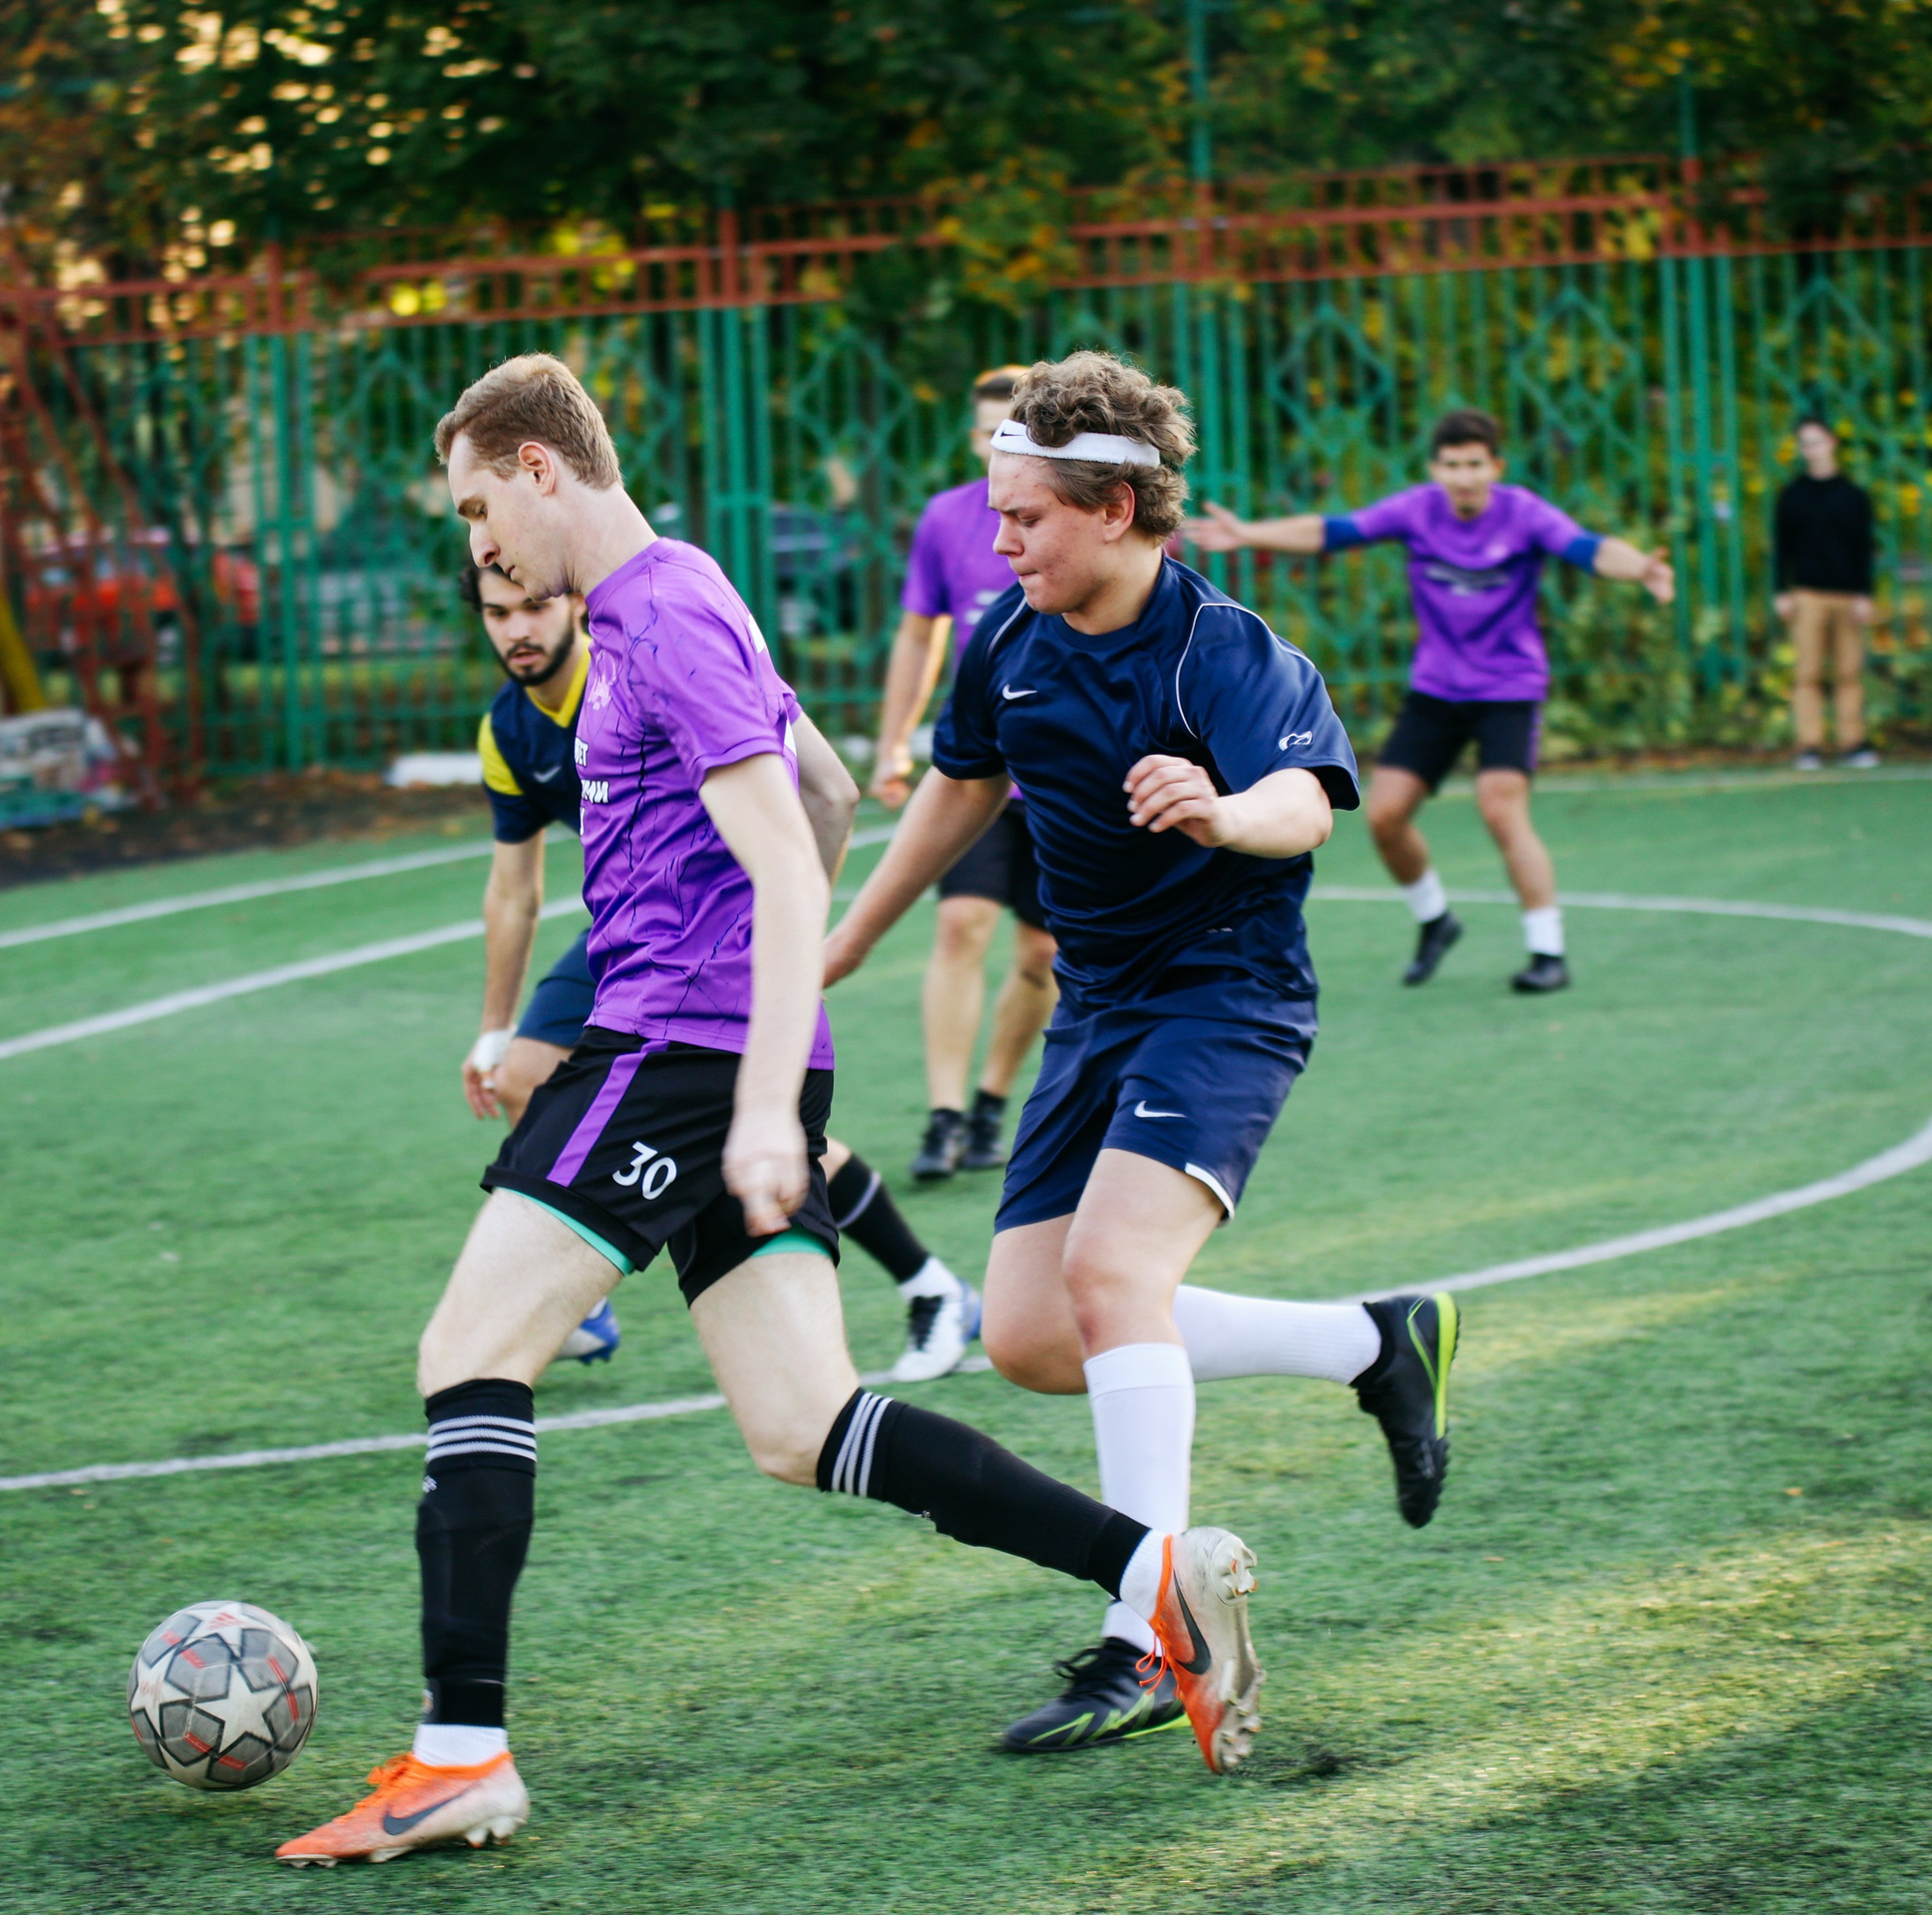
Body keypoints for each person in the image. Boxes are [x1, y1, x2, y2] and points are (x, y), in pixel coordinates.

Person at [274, 355, 1252, 1867]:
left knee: (470, 1352)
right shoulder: (676, 598)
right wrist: (768, 1056)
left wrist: (750, 1093)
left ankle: (461, 1757)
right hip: (720, 1050)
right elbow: (826, 786)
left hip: (668, 1053)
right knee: (804, 1427)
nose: (477, 544)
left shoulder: (654, 613)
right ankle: (1155, 1578)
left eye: (480, 504)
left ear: (545, 470)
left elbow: (795, 859)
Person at [826, 352, 1463, 1755]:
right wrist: (850, 938)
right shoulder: (1007, 637)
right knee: (1037, 1334)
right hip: (1099, 1009)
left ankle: (1147, 1630)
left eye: (1027, 519)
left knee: (1116, 1277)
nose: (1000, 543)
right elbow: (958, 788)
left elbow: (1306, 800)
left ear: (1114, 507)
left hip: (1223, 995)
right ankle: (1377, 1342)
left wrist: (1222, 809)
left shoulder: (1218, 646)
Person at [457, 557, 981, 1379]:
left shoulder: (643, 660)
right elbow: (512, 891)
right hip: (630, 939)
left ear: (570, 606)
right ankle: (584, 1309)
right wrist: (492, 1028)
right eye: (497, 613)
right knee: (527, 1070)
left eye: (531, 607)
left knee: (757, 1128)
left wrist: (783, 942)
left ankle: (929, 1284)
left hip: (705, 942)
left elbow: (824, 790)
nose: (518, 629)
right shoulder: (506, 731)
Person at [1184, 409, 1675, 994]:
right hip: (1437, 690)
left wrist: (1642, 567)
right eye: (1451, 465)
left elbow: (1588, 548)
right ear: (1435, 469)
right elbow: (1335, 532)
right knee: (1385, 816)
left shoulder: (1523, 514)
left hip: (1508, 689)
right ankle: (1436, 920)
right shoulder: (1419, 510)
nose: (1463, 476)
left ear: (1495, 467)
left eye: (1474, 464)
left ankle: (1548, 950)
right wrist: (1248, 533)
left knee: (1500, 807)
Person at [871, 367, 1058, 1183]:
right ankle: (944, 1117)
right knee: (959, 927)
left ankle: (991, 1100)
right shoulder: (947, 521)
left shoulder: (1075, 511)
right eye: (983, 432)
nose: (992, 444)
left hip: (1063, 779)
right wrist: (892, 744)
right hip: (979, 773)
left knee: (1045, 954)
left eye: (1007, 431)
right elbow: (920, 637)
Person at [1771, 417, 1878, 771]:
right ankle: (1810, 745)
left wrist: (1865, 593)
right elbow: (1781, 548)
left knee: (1849, 672)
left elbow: (1864, 548)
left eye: (1817, 441)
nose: (1812, 450)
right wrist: (1780, 591)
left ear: (1831, 442)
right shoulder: (1792, 496)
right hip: (1808, 594)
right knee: (1807, 673)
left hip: (1847, 595)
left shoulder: (1853, 496)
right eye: (1805, 444)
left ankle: (1853, 742)